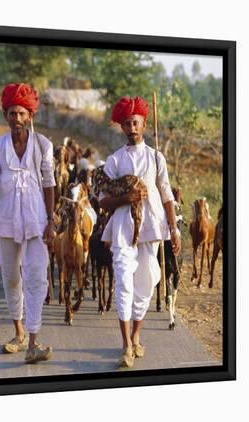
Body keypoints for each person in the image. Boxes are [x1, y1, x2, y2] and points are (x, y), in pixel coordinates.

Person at [98, 96, 181, 368]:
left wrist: (174, 228)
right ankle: (125, 346)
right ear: (122, 127)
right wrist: (127, 198)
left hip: (152, 226)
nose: (132, 128)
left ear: (144, 124)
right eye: (126, 123)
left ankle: (136, 336)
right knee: (123, 282)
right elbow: (102, 200)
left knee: (146, 281)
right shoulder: (114, 161)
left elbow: (166, 194)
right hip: (123, 228)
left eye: (136, 122)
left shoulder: (156, 158)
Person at [0, 83, 55, 364]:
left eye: (21, 113)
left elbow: (49, 183)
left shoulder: (42, 145)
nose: (17, 119)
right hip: (6, 222)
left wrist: (51, 220)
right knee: (11, 279)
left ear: (30, 115)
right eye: (12, 114)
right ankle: (19, 332)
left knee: (37, 278)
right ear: (6, 116)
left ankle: (34, 341)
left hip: (37, 221)